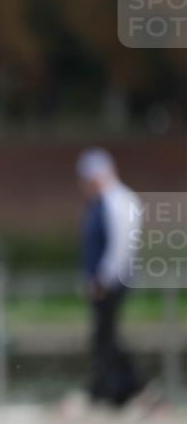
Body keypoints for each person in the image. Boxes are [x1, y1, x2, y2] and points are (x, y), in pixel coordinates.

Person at [77, 147, 143, 407]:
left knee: (105, 336)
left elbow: (121, 246)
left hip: (114, 280)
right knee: (105, 335)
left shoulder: (119, 201)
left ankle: (118, 388)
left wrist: (103, 279)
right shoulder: (102, 201)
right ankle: (117, 389)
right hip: (104, 279)